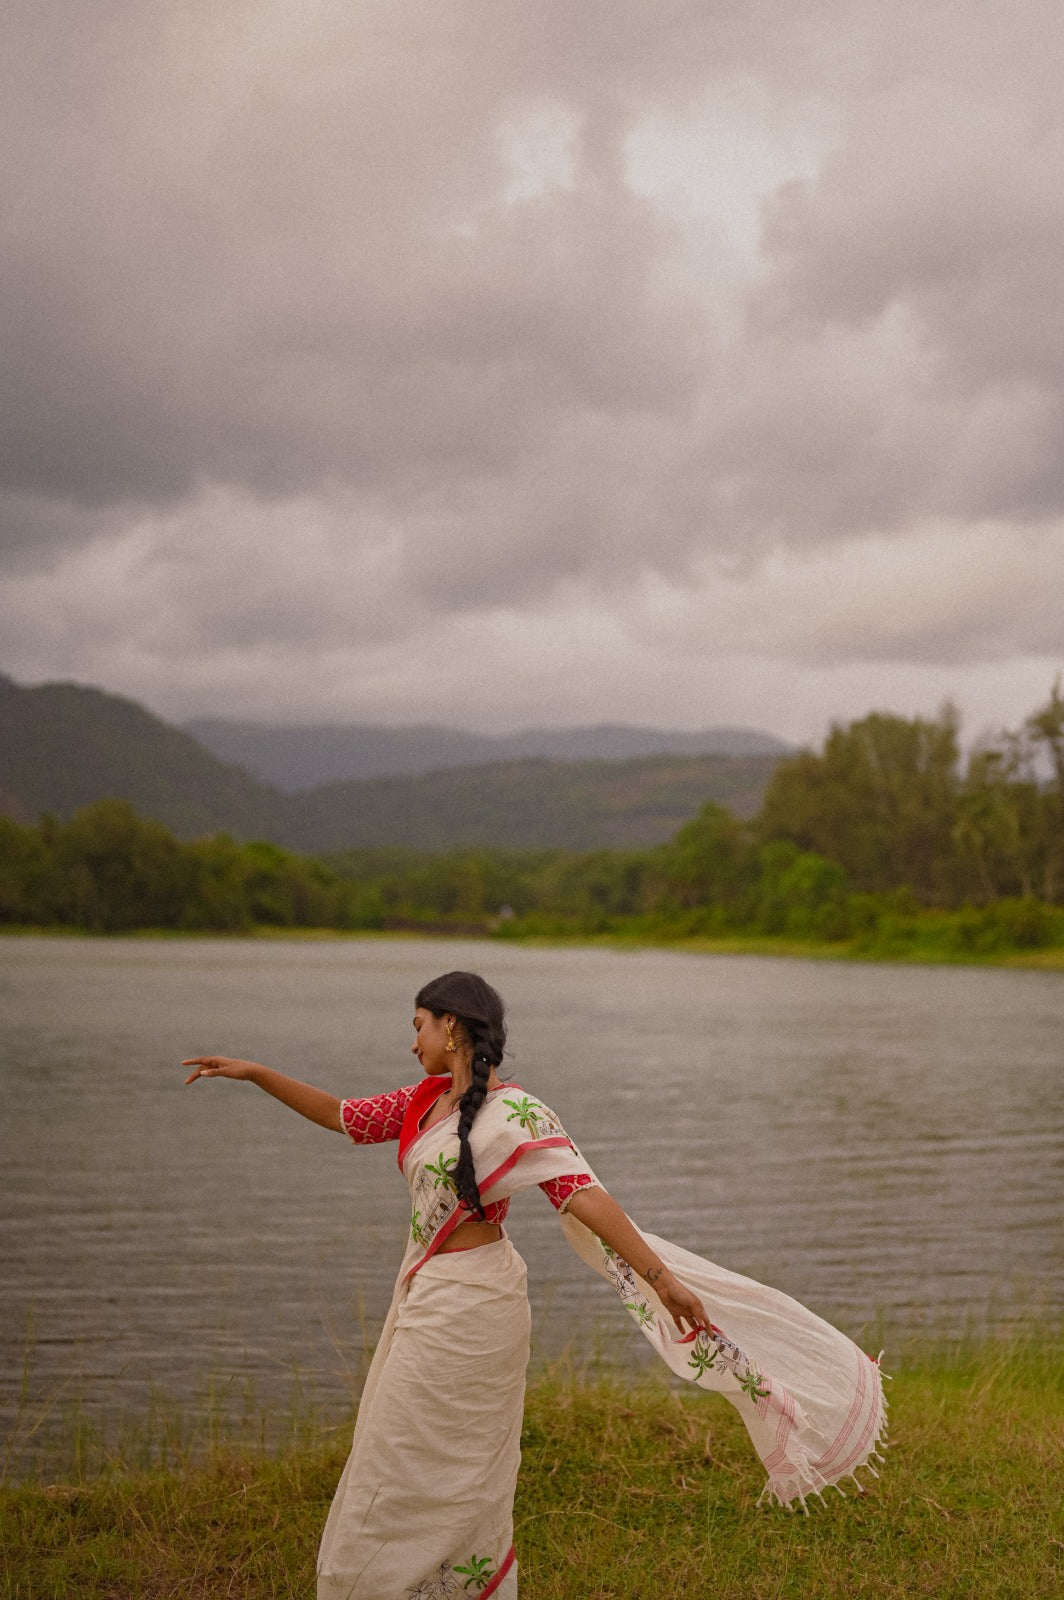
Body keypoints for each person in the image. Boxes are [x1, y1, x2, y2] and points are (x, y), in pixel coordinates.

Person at [185, 970, 885, 1600]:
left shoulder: (515, 1112)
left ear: (451, 1027)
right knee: (396, 1451)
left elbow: (583, 1196)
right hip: (430, 1298)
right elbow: (343, 1116)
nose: (413, 1044)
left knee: (468, 1465)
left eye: (419, 1027)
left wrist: (661, 1278)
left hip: (481, 1308)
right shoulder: (422, 1102)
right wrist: (254, 1073)